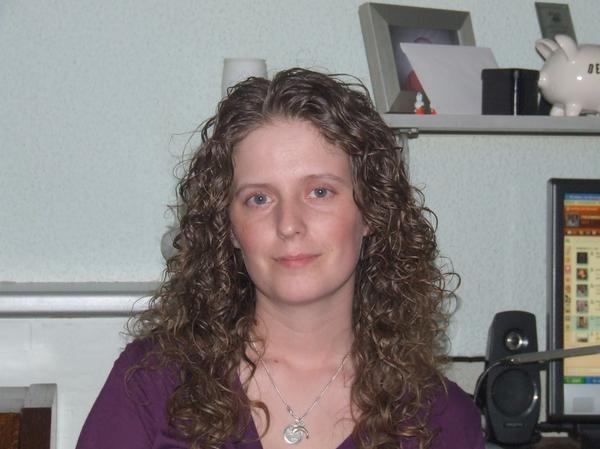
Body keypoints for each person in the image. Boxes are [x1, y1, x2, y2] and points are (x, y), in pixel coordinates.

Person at [76, 68, 484, 449]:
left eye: (319, 192)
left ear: (371, 213)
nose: (289, 224)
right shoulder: (152, 383)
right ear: (230, 228)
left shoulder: (443, 420)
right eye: (259, 198)